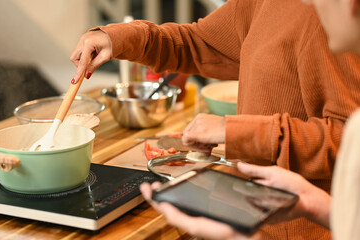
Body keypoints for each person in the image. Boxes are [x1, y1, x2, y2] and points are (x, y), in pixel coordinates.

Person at [70, 0, 360, 238]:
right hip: (252, 213)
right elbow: (198, 43)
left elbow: (349, 139)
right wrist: (118, 37)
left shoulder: (332, 20)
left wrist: (233, 131)